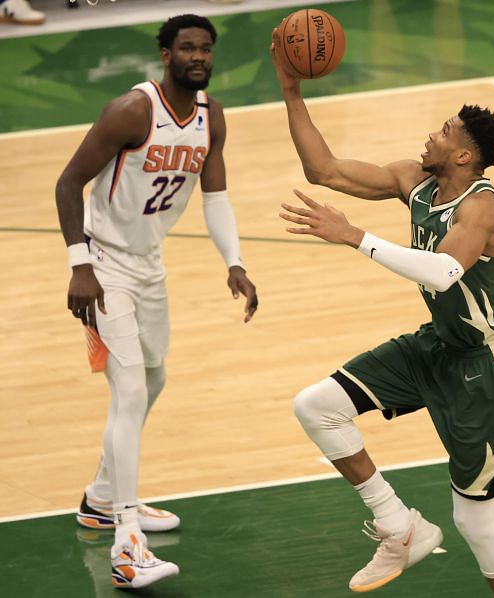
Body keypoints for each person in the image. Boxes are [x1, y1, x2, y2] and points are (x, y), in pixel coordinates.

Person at [272, 31, 494, 598]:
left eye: (442, 132)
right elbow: (325, 170)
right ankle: (399, 526)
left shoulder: (483, 207)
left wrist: (353, 235)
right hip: (435, 346)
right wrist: (291, 88)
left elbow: (443, 272)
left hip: (487, 371)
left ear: (464, 155)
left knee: (473, 516)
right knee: (317, 407)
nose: (430, 135)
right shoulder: (415, 182)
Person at [55, 14, 258, 589]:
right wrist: (79, 266)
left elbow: (214, 195)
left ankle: (102, 496)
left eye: (206, 49)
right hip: (104, 266)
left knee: (156, 376)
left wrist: (235, 262)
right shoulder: (133, 111)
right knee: (130, 389)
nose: (199, 56)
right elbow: (68, 182)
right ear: (165, 55)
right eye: (187, 48)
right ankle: (126, 541)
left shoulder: (211, 117)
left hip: (149, 266)